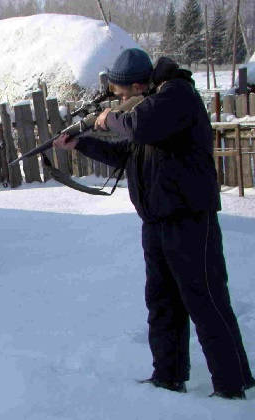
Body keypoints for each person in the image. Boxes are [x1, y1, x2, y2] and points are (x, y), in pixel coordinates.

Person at [54, 48, 255, 399]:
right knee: (163, 304)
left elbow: (138, 126)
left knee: (205, 299)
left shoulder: (176, 96)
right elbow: (126, 153)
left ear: (137, 85)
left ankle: (232, 384)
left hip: (189, 219)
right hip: (157, 222)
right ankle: (168, 377)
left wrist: (107, 118)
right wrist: (82, 143)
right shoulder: (148, 110)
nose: (117, 101)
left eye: (120, 94)